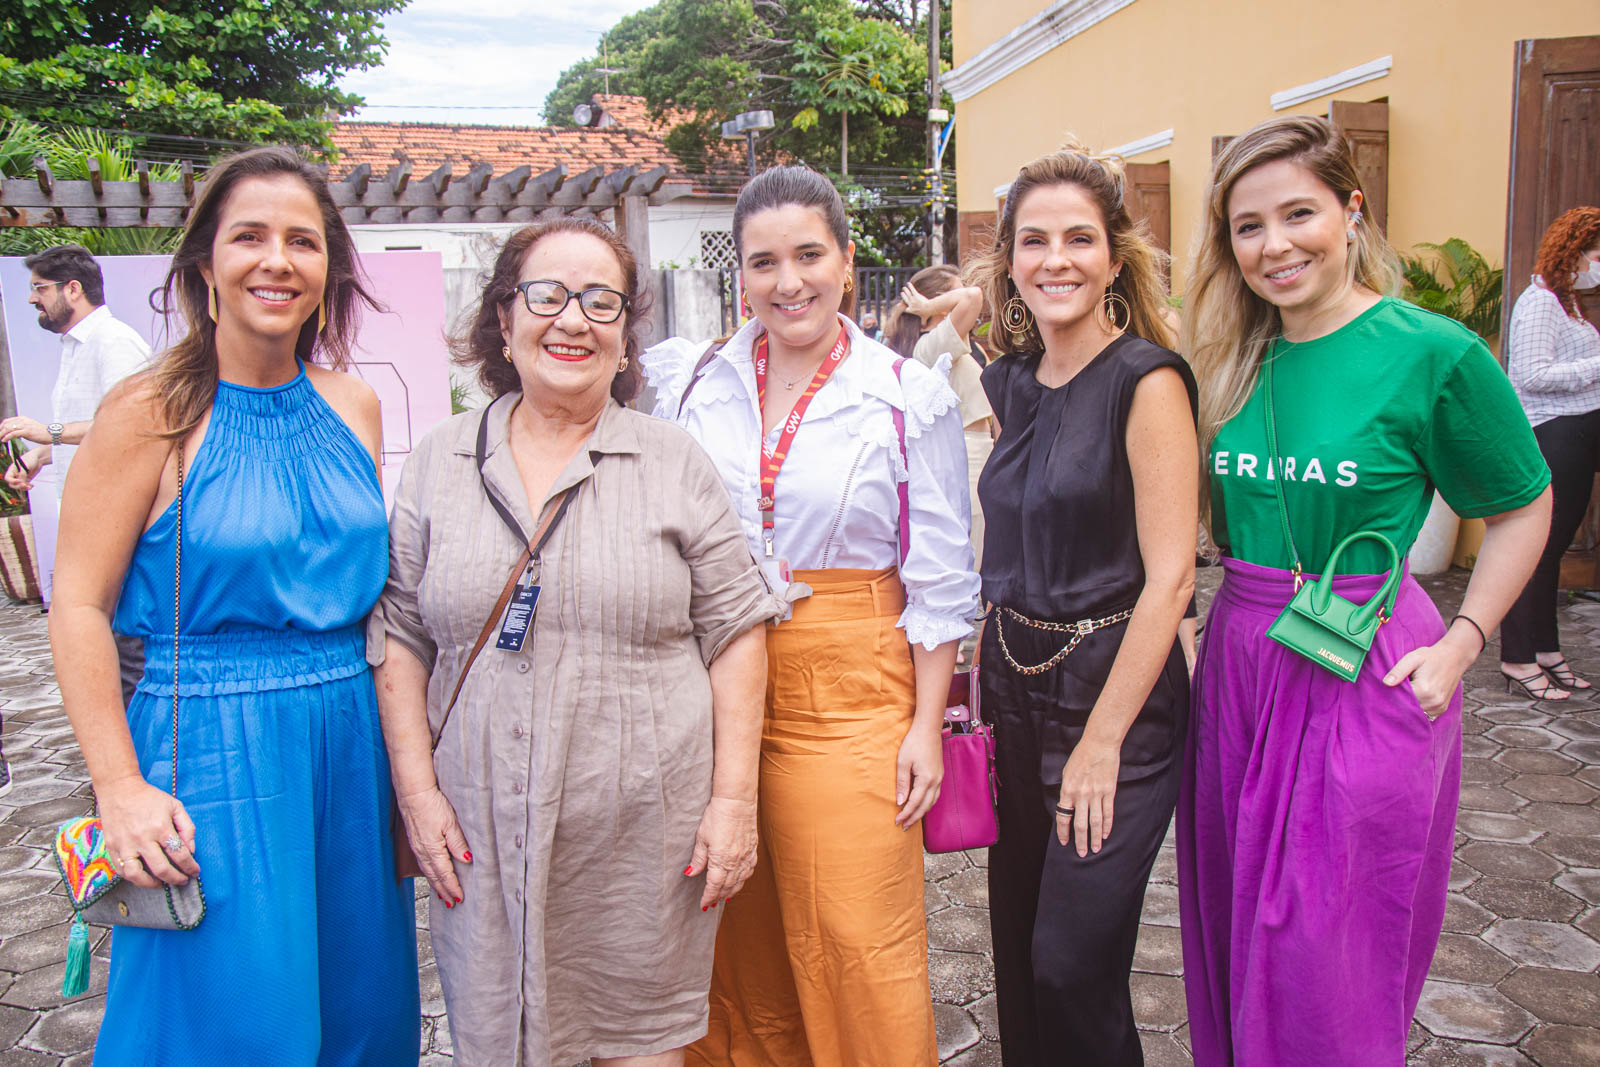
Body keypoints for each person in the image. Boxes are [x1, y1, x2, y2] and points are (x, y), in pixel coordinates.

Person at [1178, 115, 1552, 1067]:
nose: (1275, 245)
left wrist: (1464, 642)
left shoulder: (1432, 353)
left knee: (1325, 945)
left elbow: (1523, 504)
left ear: (1351, 210)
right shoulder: (1229, 357)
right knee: (1233, 925)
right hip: (1242, 665)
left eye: (1298, 214)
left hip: (1370, 661)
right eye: (1248, 226)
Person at [373, 217, 779, 1066]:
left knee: (640, 1046)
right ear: (504, 318)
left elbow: (737, 631)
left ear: (625, 335)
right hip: (479, 832)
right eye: (547, 295)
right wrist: (417, 796)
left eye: (601, 302)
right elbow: (401, 633)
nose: (572, 320)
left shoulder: (673, 460)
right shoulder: (442, 460)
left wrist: (733, 804)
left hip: (644, 841)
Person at [48, 146, 421, 1063]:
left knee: (360, 1015)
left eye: (303, 241)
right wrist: (119, 787)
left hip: (351, 745)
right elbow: (78, 606)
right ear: (204, 263)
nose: (276, 261)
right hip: (209, 745)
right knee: (231, 1021)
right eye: (249, 236)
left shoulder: (356, 405)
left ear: (328, 269)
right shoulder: (148, 412)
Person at [642, 164, 980, 1067]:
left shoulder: (905, 394)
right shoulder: (693, 382)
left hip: (851, 688)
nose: (787, 282)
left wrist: (925, 725)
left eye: (807, 256)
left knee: (857, 940)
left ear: (846, 260)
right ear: (740, 274)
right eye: (763, 262)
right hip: (714, 682)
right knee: (733, 934)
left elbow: (939, 577)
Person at [966, 144, 1197, 1066]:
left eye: (1078, 238)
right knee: (1020, 951)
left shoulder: (1148, 381)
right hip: (1013, 689)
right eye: (1034, 240)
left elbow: (1172, 578)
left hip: (1117, 697)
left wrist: (1103, 740)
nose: (1054, 259)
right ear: (1010, 260)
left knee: (1071, 965)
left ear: (1112, 255)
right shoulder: (1012, 382)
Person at [4, 244, 152, 726]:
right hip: (93, 519)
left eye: (39, 288)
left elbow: (132, 425)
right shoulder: (77, 346)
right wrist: (41, 456)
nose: (32, 299)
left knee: (129, 646)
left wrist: (45, 431)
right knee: (107, 641)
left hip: (120, 519)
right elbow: (93, 429)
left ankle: (141, 753)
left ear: (73, 289)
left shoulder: (114, 343)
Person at [1500, 206, 1600, 700]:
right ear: (1575, 252)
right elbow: (1529, 375)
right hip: (1553, 434)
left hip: (1577, 434)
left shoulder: (1568, 302)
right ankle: (1517, 658)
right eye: (1598, 256)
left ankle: (1546, 650)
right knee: (1535, 551)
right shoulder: (1540, 302)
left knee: (1552, 551)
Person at [889, 265, 995, 568]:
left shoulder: (950, 343)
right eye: (953, 292)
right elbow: (973, 297)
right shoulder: (930, 345)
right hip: (969, 461)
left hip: (980, 457)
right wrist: (928, 307)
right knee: (974, 563)